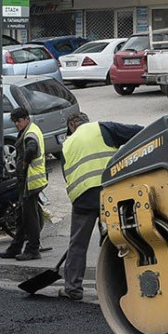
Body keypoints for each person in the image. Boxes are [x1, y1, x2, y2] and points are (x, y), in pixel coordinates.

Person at [56, 112, 142, 300]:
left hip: (83, 199)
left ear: (71, 125)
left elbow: (67, 176)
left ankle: (73, 288)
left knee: (78, 244)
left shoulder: (66, 145)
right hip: (109, 194)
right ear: (86, 121)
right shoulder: (104, 128)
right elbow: (140, 132)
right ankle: (117, 285)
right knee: (117, 238)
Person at [1, 107, 48, 262]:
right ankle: (15, 247)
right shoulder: (29, 130)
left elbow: (31, 149)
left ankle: (33, 249)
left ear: (27, 118)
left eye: (19, 121)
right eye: (15, 122)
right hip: (27, 181)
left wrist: (24, 164)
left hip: (31, 181)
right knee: (21, 215)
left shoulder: (30, 134)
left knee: (30, 217)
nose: (17, 124)